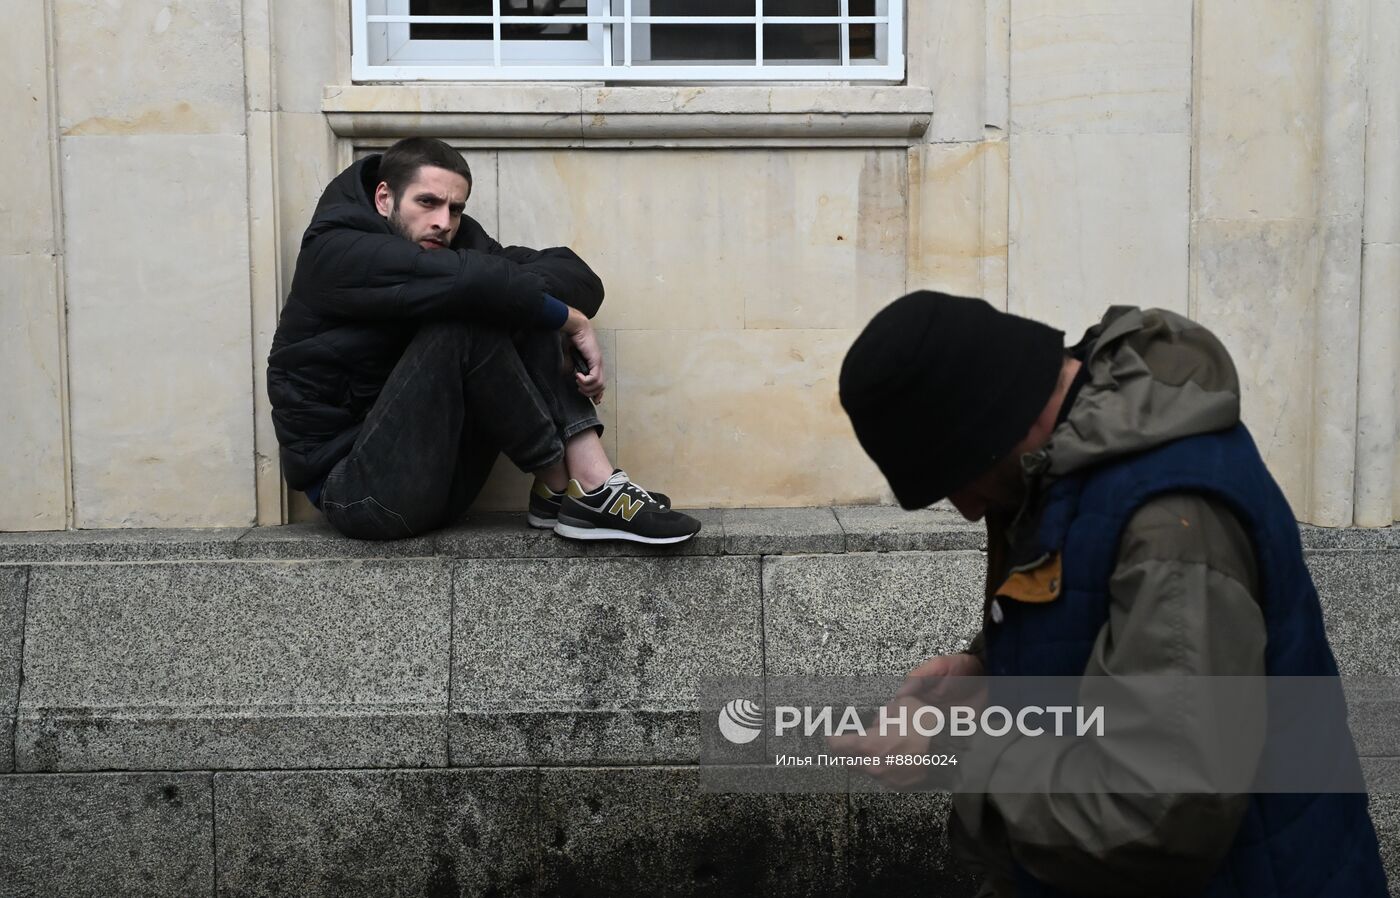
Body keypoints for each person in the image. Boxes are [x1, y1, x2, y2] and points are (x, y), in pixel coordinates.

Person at [834, 292, 1388, 896]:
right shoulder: (1074, 459)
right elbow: (1105, 625)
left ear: (998, 424)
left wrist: (954, 750)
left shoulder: (1168, 524)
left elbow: (1158, 812)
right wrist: (989, 671)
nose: (966, 509)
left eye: (955, 478)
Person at [267, 137, 700, 544]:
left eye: (455, 209)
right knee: (476, 310)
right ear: (384, 198)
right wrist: (571, 322)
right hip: (359, 493)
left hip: (444, 478)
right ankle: (572, 483)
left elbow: (578, 276)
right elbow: (477, 286)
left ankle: (581, 486)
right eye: (427, 203)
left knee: (504, 297)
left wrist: (539, 304)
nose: (443, 221)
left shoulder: (453, 240)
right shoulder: (334, 250)